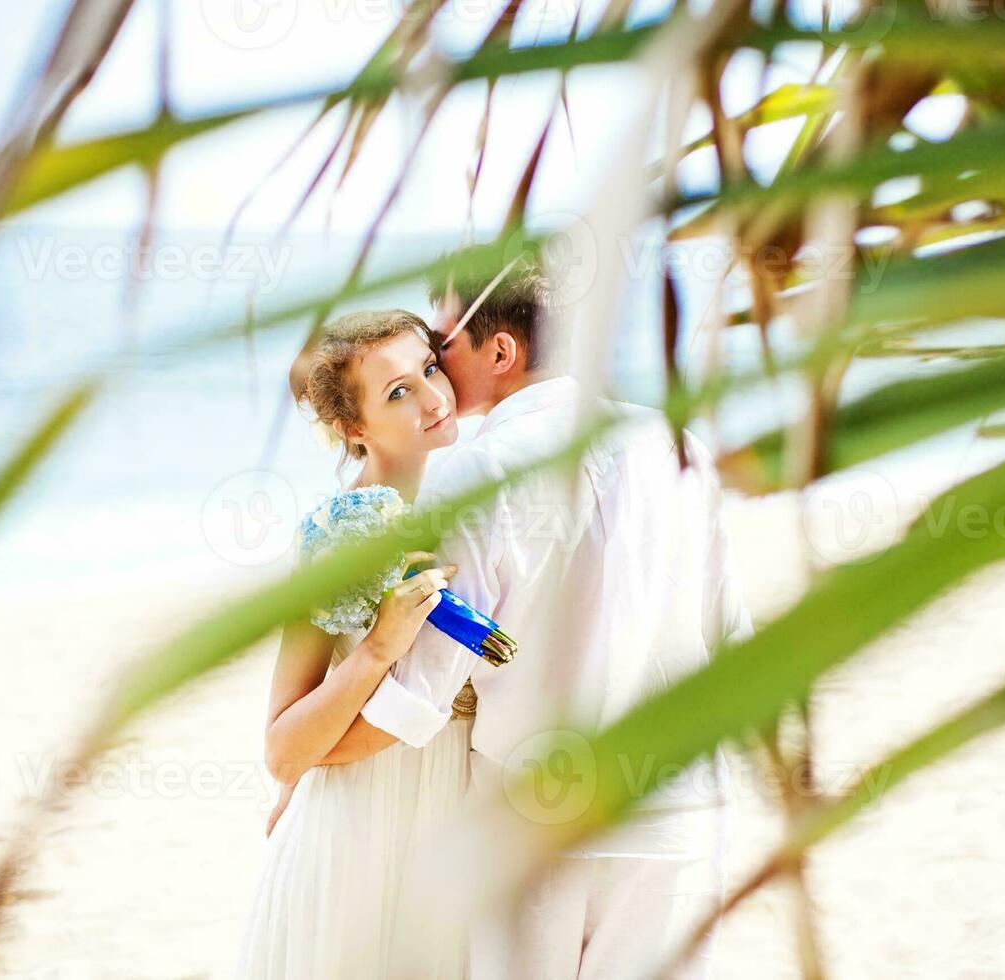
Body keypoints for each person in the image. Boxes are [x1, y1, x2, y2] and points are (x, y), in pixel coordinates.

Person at [317, 258, 753, 979]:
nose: (436, 369)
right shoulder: (682, 448)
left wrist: (305, 759)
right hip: (679, 814)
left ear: (499, 353)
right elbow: (732, 639)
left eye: (442, 343)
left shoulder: (480, 472)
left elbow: (421, 696)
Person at [236, 309, 475, 979]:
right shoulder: (334, 539)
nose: (432, 397)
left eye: (430, 369)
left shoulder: (477, 504)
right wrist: (376, 649)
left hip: (456, 819)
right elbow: (283, 751)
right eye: (397, 392)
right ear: (354, 429)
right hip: (361, 830)